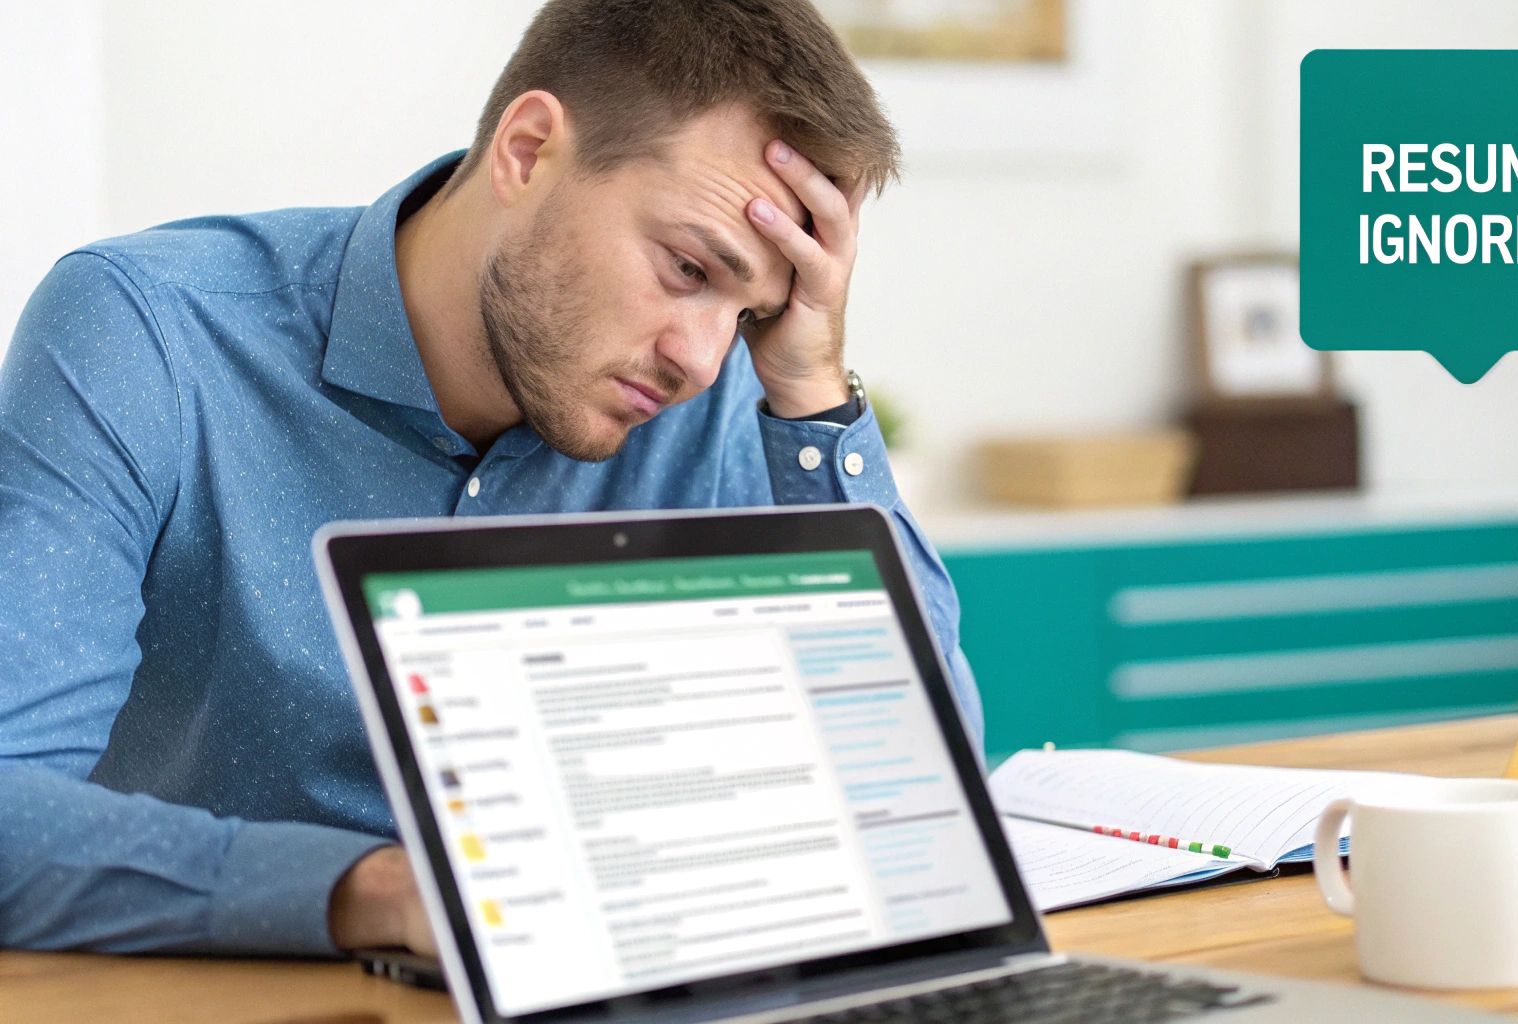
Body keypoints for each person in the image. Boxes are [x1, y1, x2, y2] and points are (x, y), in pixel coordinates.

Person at [0, 0, 980, 958]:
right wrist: (381, 890)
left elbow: (919, 808)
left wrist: (809, 390)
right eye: (688, 267)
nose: (698, 358)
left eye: (750, 314)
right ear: (526, 151)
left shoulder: (707, 398)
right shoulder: (150, 335)